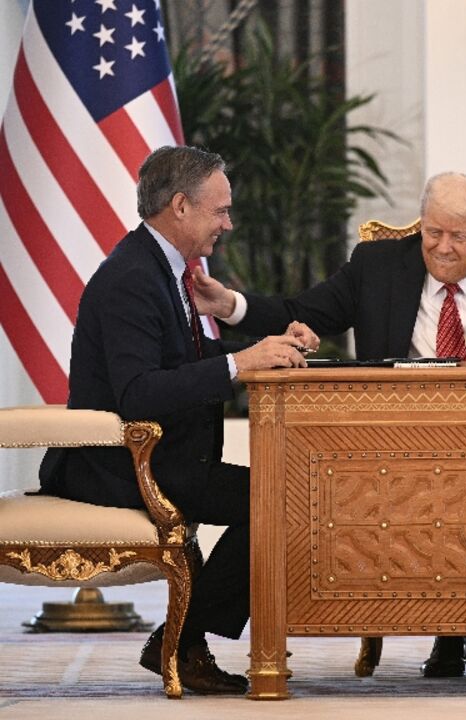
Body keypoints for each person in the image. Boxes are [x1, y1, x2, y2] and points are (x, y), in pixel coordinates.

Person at [192, 171, 466, 678]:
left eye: (458, 236)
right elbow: (300, 312)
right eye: (432, 232)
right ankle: (451, 629)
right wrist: (229, 305)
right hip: (399, 439)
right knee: (439, 485)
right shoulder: (377, 266)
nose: (441, 247)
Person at [38, 146, 312, 694]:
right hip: (119, 465)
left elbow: (181, 361)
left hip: (165, 459)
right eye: (220, 210)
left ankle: (182, 641)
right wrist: (240, 364)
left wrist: (267, 350)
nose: (228, 224)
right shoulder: (131, 277)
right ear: (181, 206)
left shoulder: (161, 267)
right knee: (281, 501)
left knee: (283, 496)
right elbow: (138, 392)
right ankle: (180, 643)